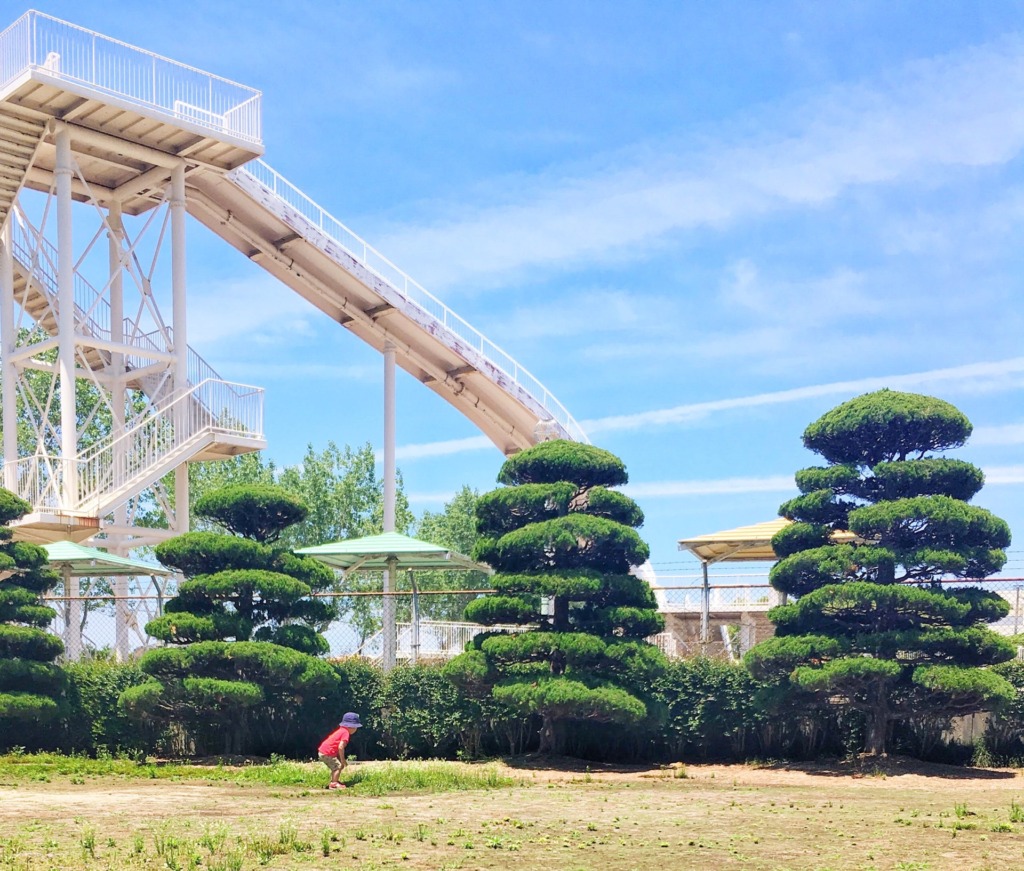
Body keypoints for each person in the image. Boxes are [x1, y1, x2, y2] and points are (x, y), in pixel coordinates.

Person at [318, 712, 361, 790]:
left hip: (323, 751)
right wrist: (343, 760)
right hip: (327, 753)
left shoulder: (341, 730)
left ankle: (334, 781)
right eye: (355, 727)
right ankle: (334, 784)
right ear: (351, 726)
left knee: (336, 766)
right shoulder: (345, 733)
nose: (355, 730)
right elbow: (340, 747)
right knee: (338, 767)